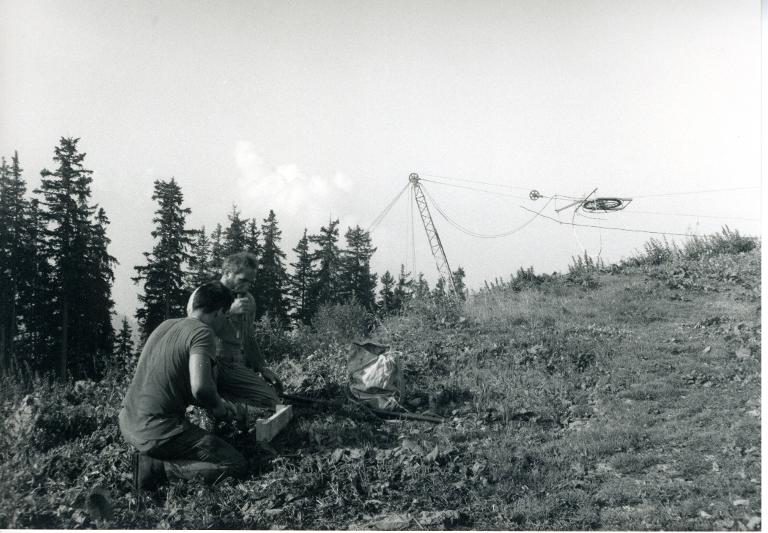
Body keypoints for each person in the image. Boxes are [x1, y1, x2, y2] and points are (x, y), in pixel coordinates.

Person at [119, 281, 246, 488]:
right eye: (226, 316)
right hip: (156, 432)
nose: (226, 322)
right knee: (236, 463)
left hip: (128, 421)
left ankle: (155, 459)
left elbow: (173, 379)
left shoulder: (166, 325)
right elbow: (201, 388)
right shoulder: (203, 333)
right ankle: (156, 468)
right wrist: (221, 409)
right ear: (219, 312)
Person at [186, 252, 283, 410]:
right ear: (227, 273)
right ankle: (215, 407)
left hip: (232, 365)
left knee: (272, 403)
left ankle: (228, 403)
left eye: (250, 282)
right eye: (242, 280)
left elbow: (248, 338)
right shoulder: (204, 295)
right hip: (206, 362)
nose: (246, 286)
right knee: (205, 397)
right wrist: (230, 311)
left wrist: (261, 367)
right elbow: (192, 330)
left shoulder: (248, 300)